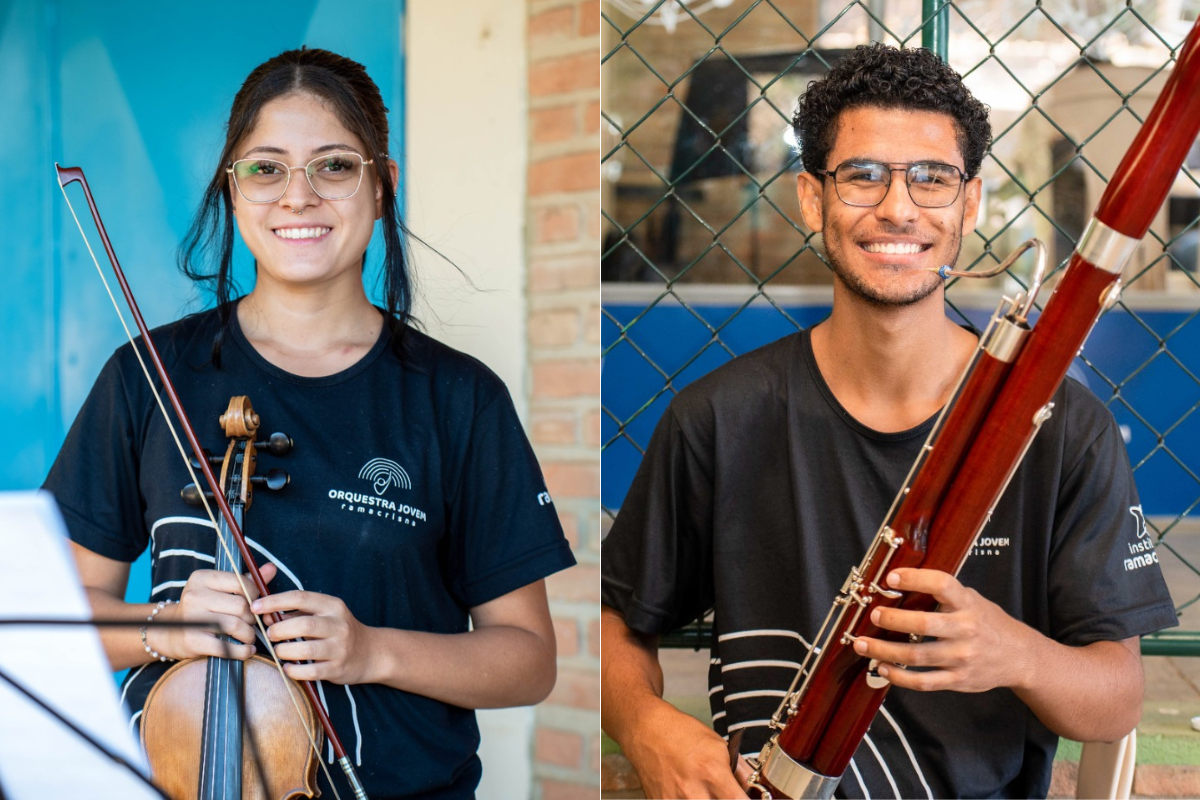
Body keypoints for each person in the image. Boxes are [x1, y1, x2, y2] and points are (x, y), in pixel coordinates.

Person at [600, 43, 1176, 799]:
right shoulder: (716, 417)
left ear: (970, 204)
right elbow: (613, 626)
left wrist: (1013, 653)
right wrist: (647, 728)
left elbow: (1117, 697)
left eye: (931, 178)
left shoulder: (1062, 426)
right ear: (812, 198)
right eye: (863, 175)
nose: (898, 208)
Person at [45, 48, 575, 799]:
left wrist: (370, 651)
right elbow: (60, 623)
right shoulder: (148, 377)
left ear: (382, 186)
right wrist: (164, 626)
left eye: (333, 166)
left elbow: (528, 659)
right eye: (265, 169)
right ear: (231, 191)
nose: (297, 196)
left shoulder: (458, 398)